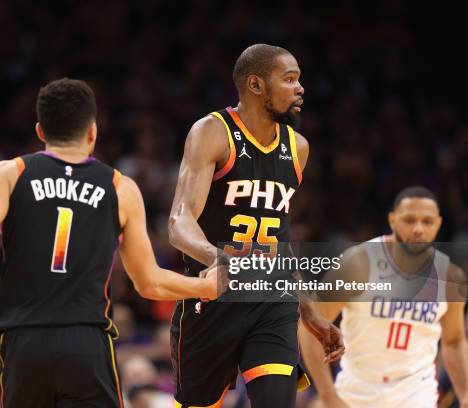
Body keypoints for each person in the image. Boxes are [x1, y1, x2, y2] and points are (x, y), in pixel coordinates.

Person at [0, 78, 224, 407]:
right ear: (93, 132)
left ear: (40, 130)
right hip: (86, 343)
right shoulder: (120, 188)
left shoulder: (12, 173)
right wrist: (203, 287)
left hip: (24, 343)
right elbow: (149, 282)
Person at [167, 43, 344, 408]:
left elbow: (279, 235)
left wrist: (307, 306)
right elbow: (179, 221)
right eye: (289, 79)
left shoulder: (298, 148)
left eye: (300, 80)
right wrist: (215, 257)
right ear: (256, 85)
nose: (300, 88)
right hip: (212, 296)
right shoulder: (212, 132)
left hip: (271, 300)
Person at [299, 186, 468, 408]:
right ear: (393, 220)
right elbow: (309, 326)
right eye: (409, 220)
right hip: (357, 390)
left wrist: (465, 393)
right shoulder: (359, 263)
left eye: (427, 222)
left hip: (416, 392)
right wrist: (328, 395)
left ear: (438, 224)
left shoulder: (451, 277)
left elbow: (454, 341)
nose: (418, 229)